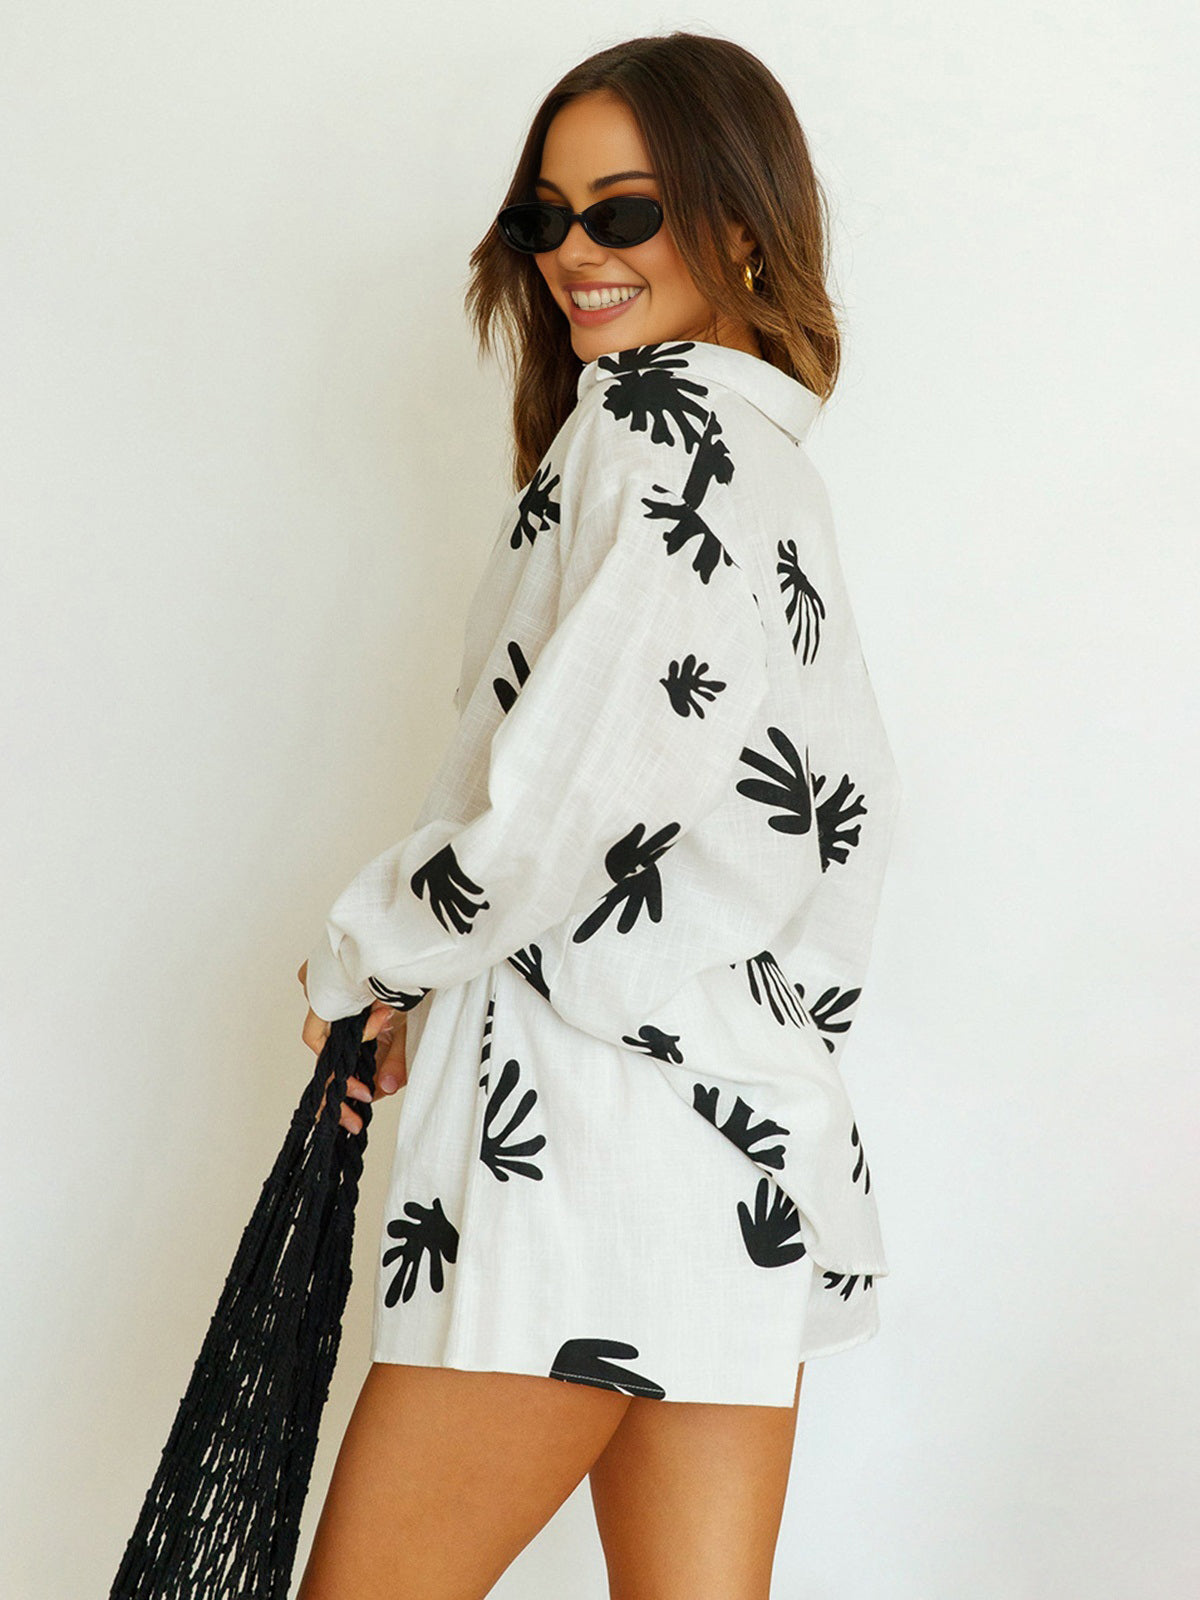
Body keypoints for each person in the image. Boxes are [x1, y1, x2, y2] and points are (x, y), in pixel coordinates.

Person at [294, 30, 902, 1600]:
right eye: (544, 218)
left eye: (624, 212)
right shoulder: (772, 467)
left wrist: (374, 958)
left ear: (741, 224)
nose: (575, 252)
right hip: (743, 1143)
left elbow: (569, 800)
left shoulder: (652, 429)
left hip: (578, 1131)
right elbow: (843, 835)